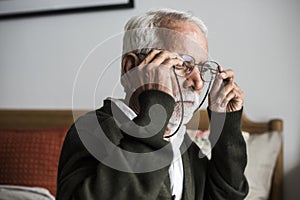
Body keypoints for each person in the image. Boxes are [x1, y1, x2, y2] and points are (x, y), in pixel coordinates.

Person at [57, 8, 249, 200]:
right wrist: (155, 110)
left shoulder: (183, 144)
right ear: (131, 68)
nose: (198, 82)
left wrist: (226, 124)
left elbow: (225, 195)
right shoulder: (92, 130)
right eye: (182, 64)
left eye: (203, 69)